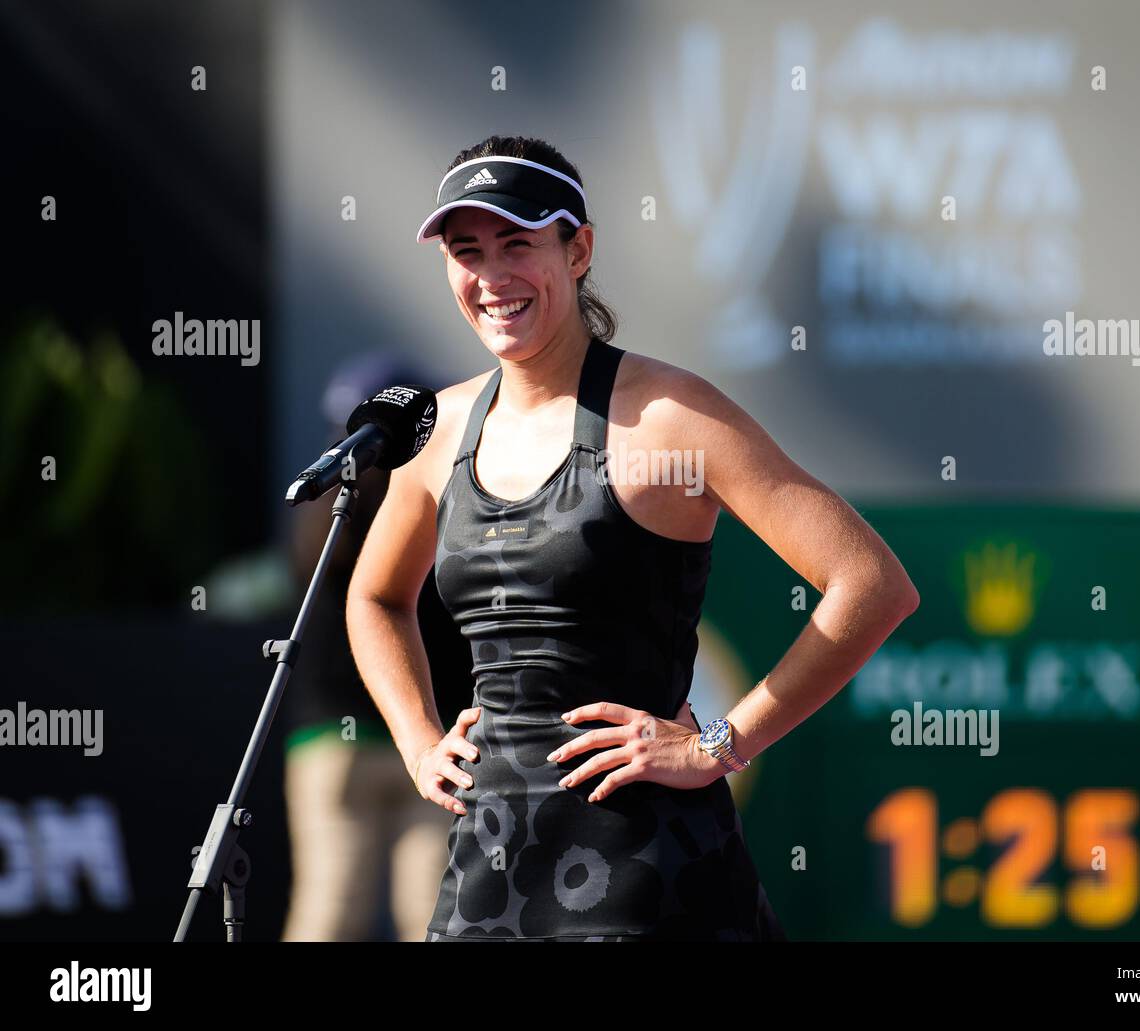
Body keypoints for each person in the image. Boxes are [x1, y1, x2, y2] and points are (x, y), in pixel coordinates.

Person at [346, 135, 920, 941]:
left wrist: (720, 743)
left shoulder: (673, 416)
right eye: (466, 250)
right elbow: (373, 598)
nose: (491, 276)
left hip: (652, 877)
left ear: (578, 250)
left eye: (518, 243)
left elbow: (871, 582)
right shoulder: (436, 432)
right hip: (487, 872)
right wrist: (416, 739)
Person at [280, 353, 474, 941]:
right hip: (413, 735)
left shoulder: (322, 519)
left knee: (336, 908)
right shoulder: (435, 505)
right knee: (425, 916)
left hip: (403, 742)